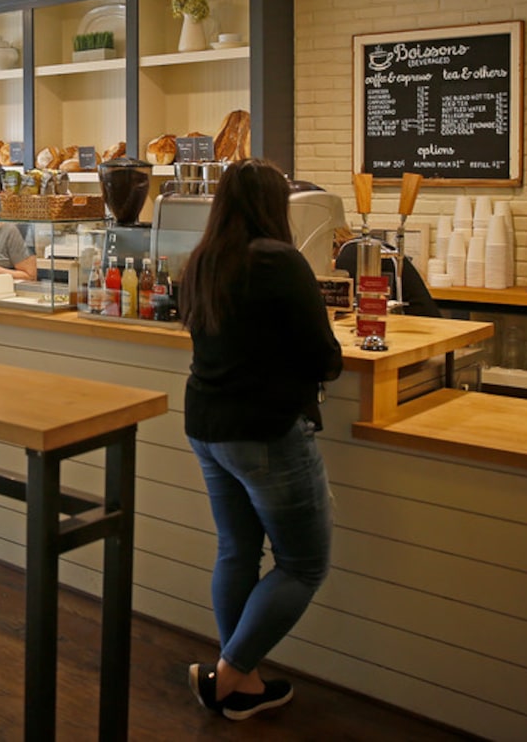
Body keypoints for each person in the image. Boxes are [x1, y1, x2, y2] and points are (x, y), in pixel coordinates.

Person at [178, 158, 343, 721]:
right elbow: (325, 356)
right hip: (264, 431)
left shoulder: (203, 260)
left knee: (237, 550)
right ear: (276, 207)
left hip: (207, 425)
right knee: (303, 563)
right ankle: (228, 675)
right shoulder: (280, 261)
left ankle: (240, 681)